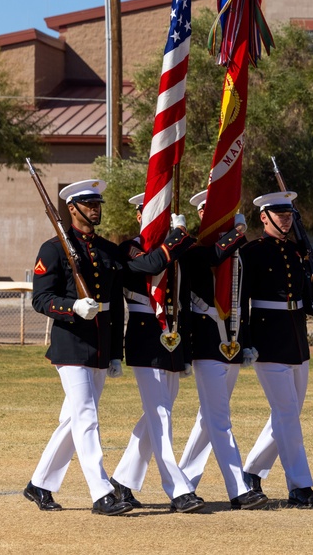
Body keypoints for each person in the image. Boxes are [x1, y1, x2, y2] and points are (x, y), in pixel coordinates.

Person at [26, 179, 182, 516]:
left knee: (73, 419)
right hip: (71, 343)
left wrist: (114, 353)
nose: (95, 209)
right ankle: (101, 492)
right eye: (88, 204)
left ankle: (39, 483)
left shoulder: (108, 250)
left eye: (98, 204)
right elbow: (40, 298)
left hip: (99, 345)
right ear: (72, 209)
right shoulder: (54, 249)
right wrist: (71, 307)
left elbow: (137, 277)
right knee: (86, 417)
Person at [110, 194, 204, 512]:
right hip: (145, 336)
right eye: (149, 214)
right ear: (141, 217)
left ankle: (123, 481)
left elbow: (185, 300)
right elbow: (151, 264)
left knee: (157, 414)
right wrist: (176, 237)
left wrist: (187, 352)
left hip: (173, 337)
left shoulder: (178, 250)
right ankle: (177, 489)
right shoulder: (129, 247)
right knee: (160, 414)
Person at [240, 191, 313, 508]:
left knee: (287, 413)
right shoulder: (252, 253)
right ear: (264, 217)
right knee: (287, 415)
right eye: (279, 214)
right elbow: (242, 302)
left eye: (289, 213)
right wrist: (246, 341)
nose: (286, 219)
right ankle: (299, 486)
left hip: (296, 339)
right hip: (268, 340)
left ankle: (251, 471)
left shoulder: (297, 252)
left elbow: (305, 296)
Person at [177, 190, 268, 510]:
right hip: (204, 341)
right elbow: (209, 258)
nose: (210, 218)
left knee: (209, 417)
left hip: (233, 341)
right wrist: (234, 235)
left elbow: (246, 299)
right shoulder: (191, 247)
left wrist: (248, 341)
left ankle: (183, 483)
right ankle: (238, 489)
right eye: (206, 213)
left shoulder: (238, 251)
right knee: (220, 418)